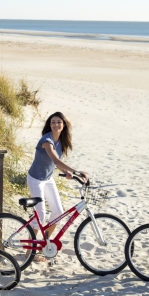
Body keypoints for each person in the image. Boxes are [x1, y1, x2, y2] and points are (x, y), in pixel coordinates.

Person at [27, 112, 88, 261]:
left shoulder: (60, 140)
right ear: (50, 125)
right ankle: (30, 253)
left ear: (63, 125)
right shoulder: (47, 140)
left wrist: (67, 172)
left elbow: (56, 163)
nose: (56, 125)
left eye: (59, 122)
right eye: (53, 122)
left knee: (58, 213)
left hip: (47, 179)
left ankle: (45, 242)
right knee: (40, 215)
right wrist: (76, 171)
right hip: (35, 179)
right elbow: (55, 160)